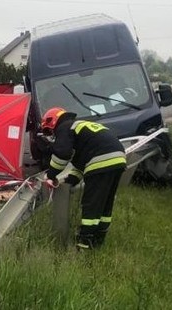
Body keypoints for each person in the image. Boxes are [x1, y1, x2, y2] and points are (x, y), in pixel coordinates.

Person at [37, 107, 126, 250]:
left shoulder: (64, 127)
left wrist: (51, 175)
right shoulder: (80, 128)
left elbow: (62, 154)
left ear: (53, 122)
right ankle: (99, 238)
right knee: (105, 202)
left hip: (100, 161)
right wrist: (68, 182)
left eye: (48, 131)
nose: (51, 135)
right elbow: (80, 164)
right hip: (118, 160)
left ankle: (85, 241)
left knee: (91, 203)